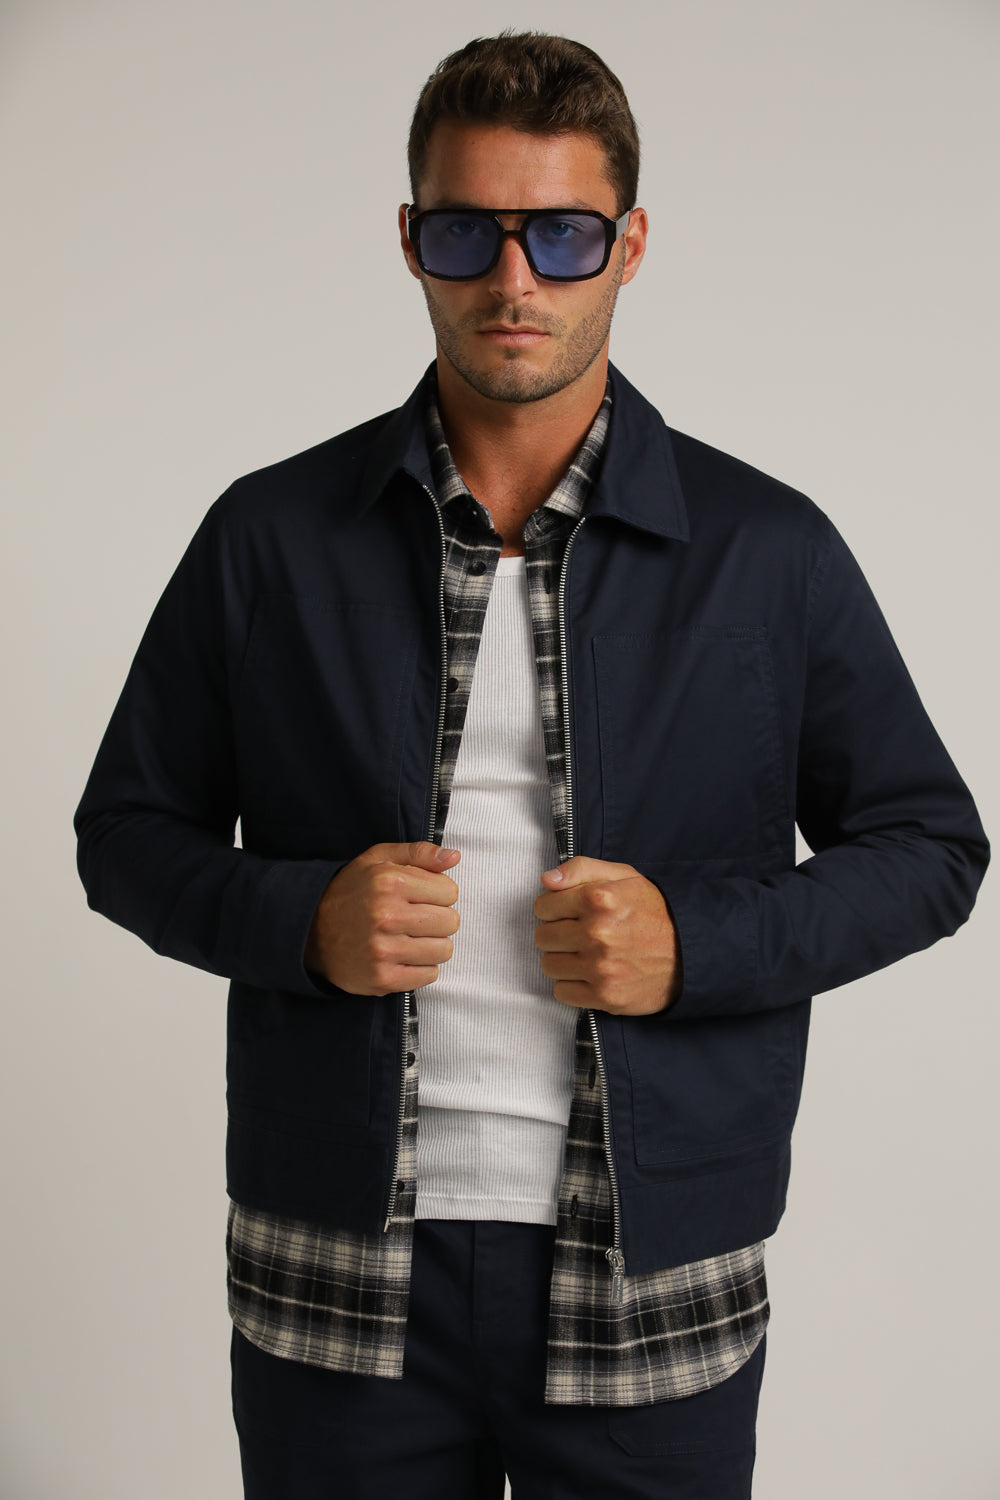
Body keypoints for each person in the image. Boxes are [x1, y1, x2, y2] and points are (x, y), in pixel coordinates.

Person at [74, 30, 988, 1500]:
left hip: (652, 1270)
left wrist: (694, 943)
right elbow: (125, 830)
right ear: (410, 241)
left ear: (631, 244)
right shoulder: (271, 536)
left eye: (562, 235)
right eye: (468, 232)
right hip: (336, 1264)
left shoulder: (768, 553)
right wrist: (303, 920)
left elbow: (931, 848)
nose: (514, 280)